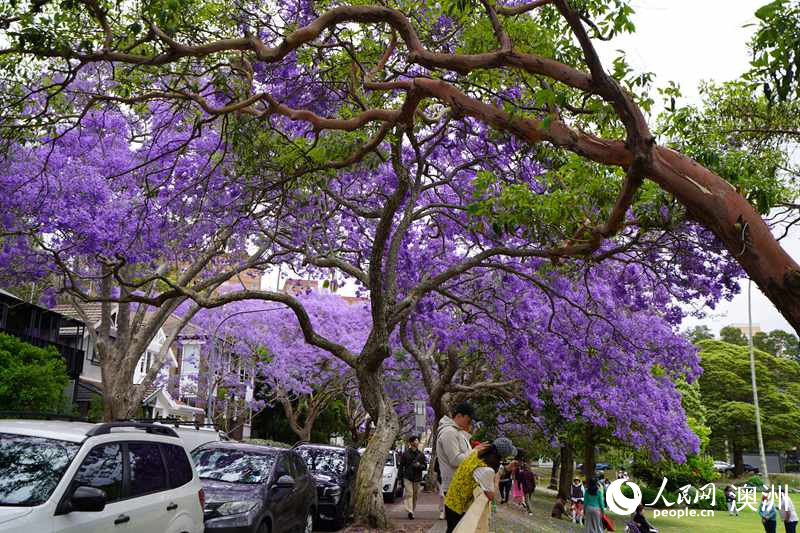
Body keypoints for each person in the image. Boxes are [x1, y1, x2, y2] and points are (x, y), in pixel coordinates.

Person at [443, 437, 516, 533]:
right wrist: (498, 477)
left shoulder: (477, 454)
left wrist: (504, 469)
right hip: (457, 507)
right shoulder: (486, 470)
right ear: (501, 457)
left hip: (451, 500)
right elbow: (491, 495)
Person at [400, 435, 427, 520]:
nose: (417, 442)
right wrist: (400, 477)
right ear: (411, 443)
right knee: (409, 493)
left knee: (415, 496)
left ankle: (412, 510)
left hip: (417, 478)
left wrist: (419, 465)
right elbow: (401, 466)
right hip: (407, 476)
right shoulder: (405, 454)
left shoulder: (421, 454)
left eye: (417, 440)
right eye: (415, 440)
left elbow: (425, 466)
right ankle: (410, 511)